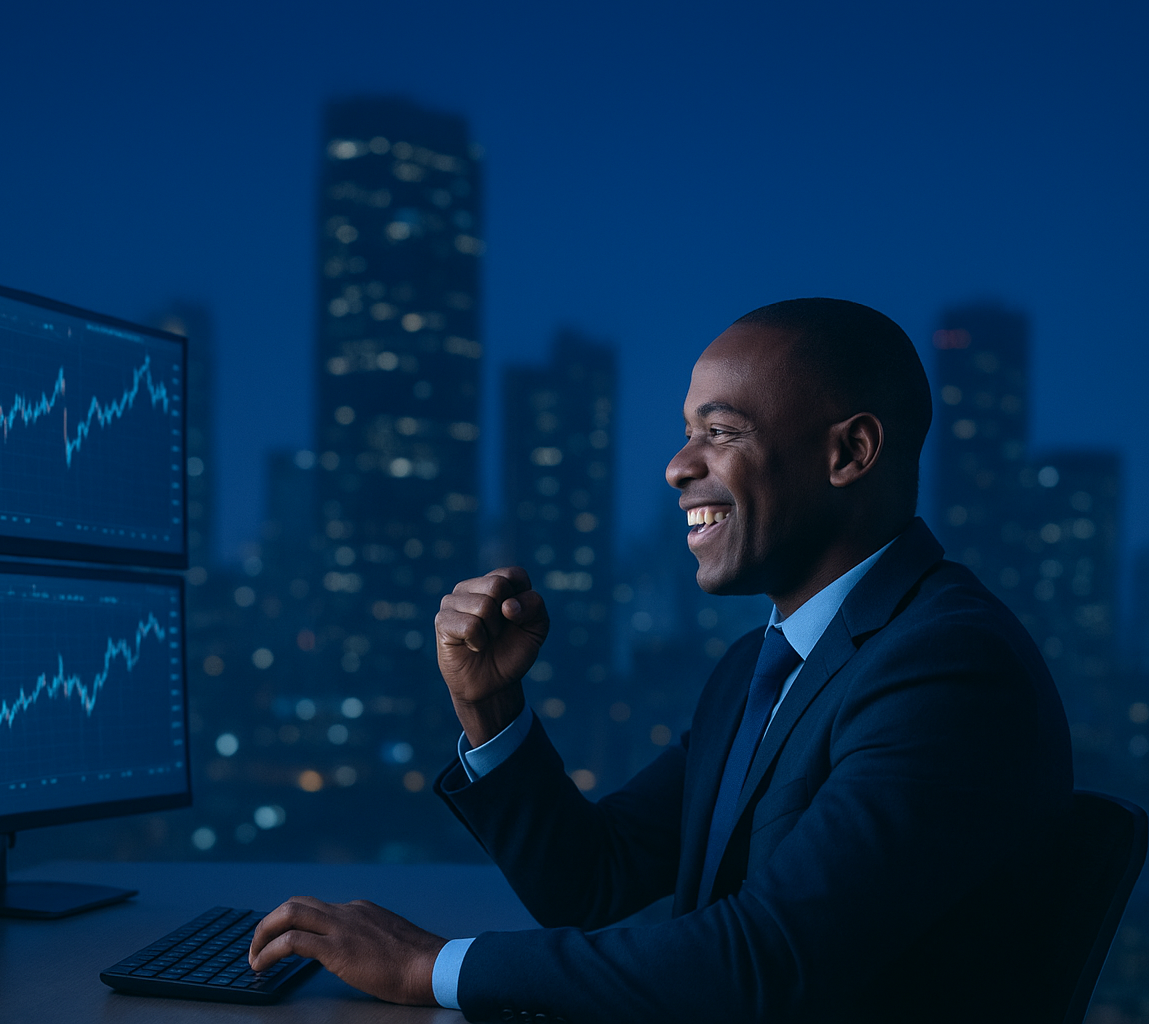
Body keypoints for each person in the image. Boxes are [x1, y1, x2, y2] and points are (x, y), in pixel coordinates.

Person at [248, 298, 1073, 1021]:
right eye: (687, 435)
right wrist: (489, 709)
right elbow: (595, 880)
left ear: (850, 453)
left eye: (719, 432)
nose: (679, 467)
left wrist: (427, 967)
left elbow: (763, 965)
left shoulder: (947, 667)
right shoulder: (763, 664)